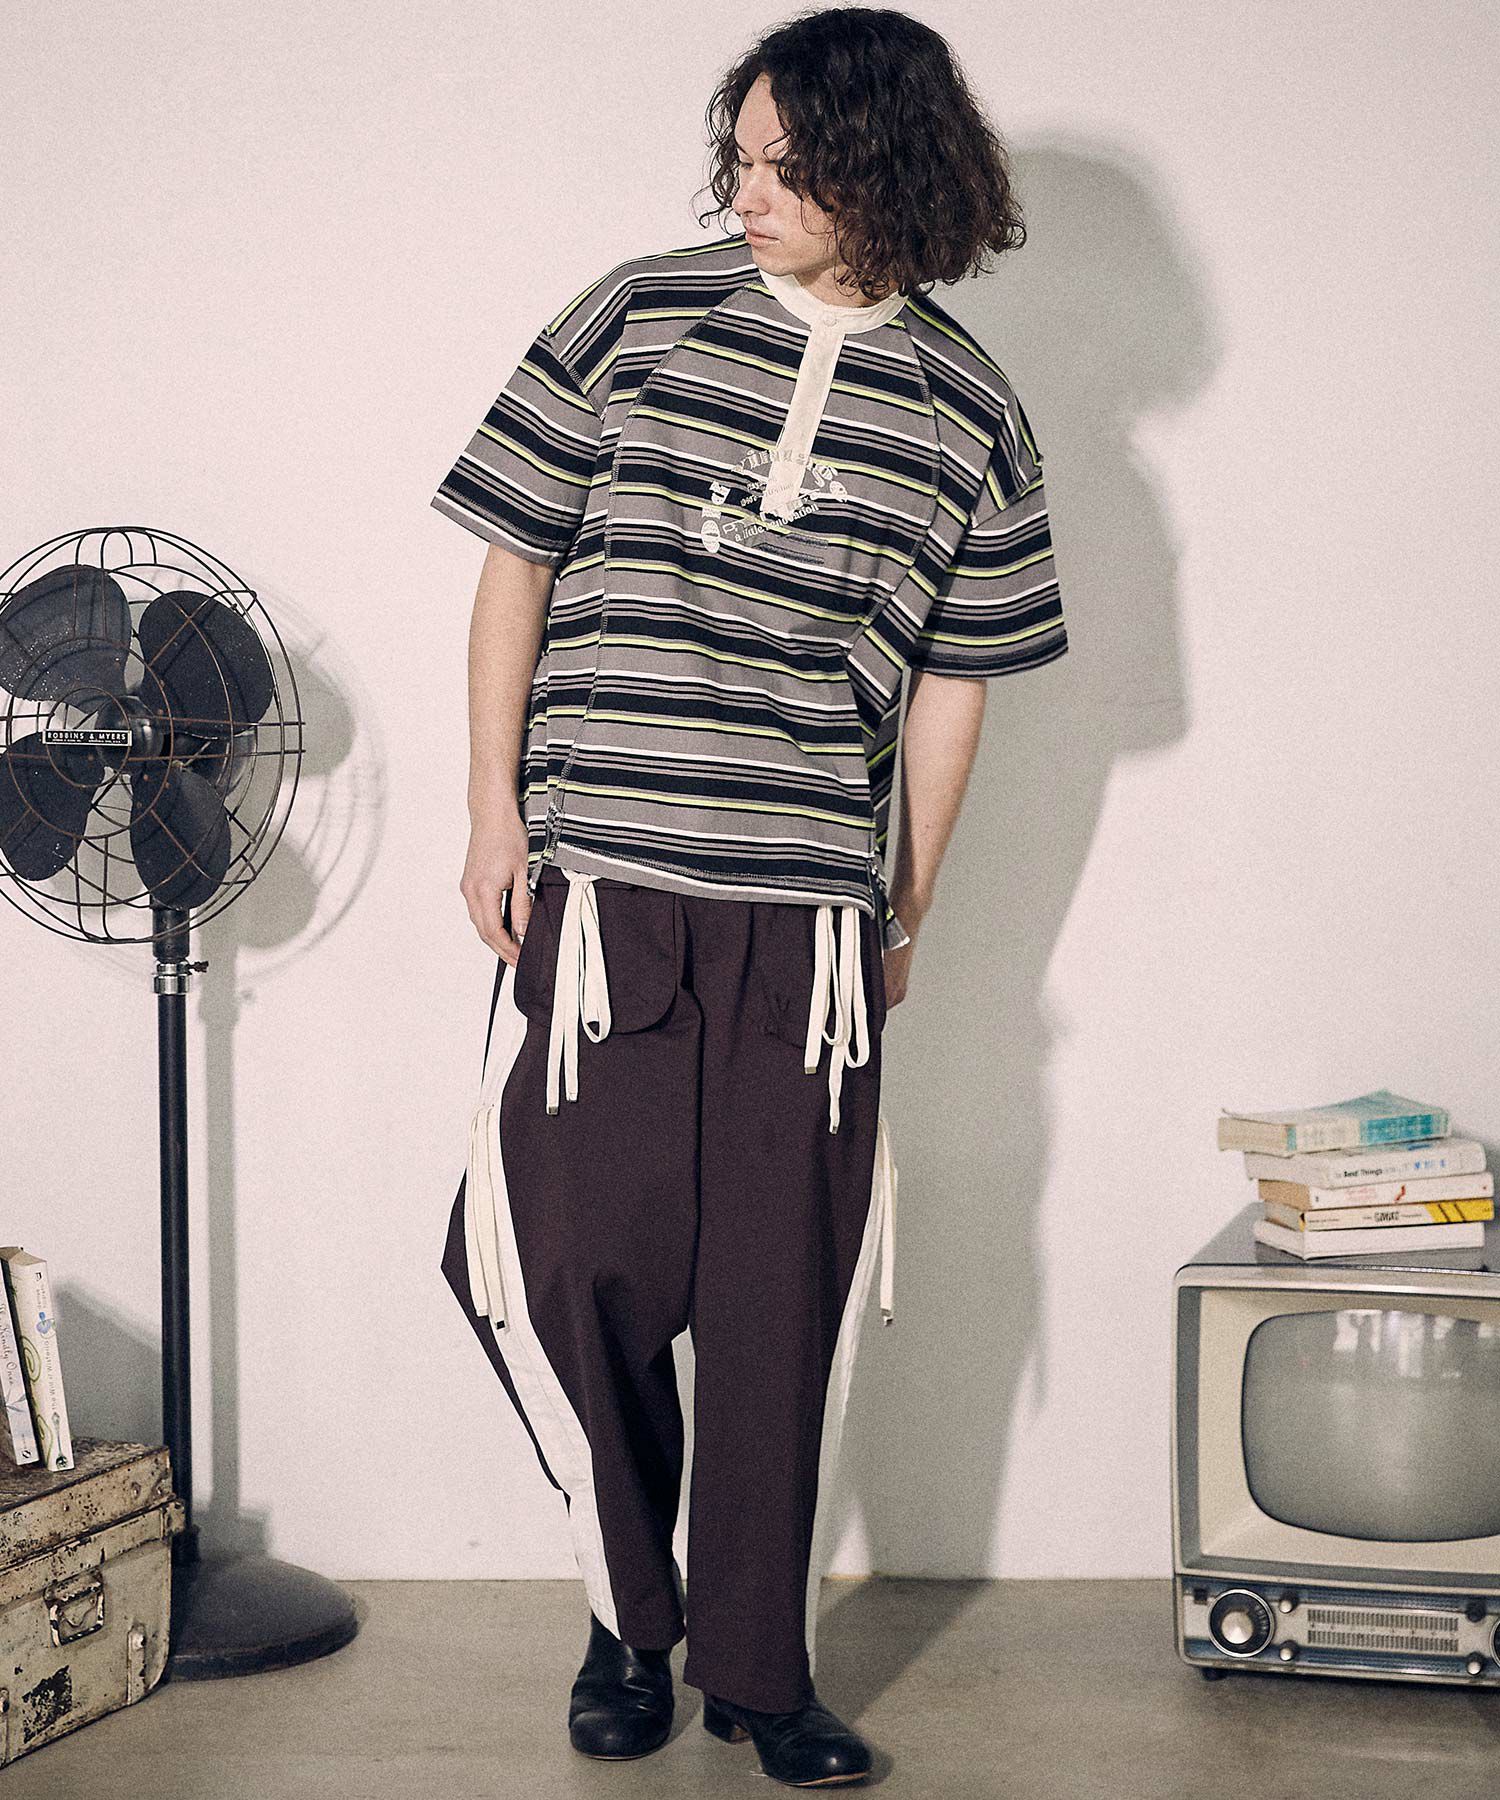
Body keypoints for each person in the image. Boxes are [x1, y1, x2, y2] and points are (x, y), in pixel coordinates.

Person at [433, 7, 1067, 1787]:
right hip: (604, 892)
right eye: (742, 154)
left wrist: (906, 909)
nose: (747, 190)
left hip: (808, 920)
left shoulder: (971, 410)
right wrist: (492, 811)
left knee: (782, 1306)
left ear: (888, 169)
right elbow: (516, 558)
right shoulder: (634, 314)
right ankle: (625, 1616)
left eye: (788, 164)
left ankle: (759, 1672)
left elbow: (955, 681)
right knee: (559, 1265)